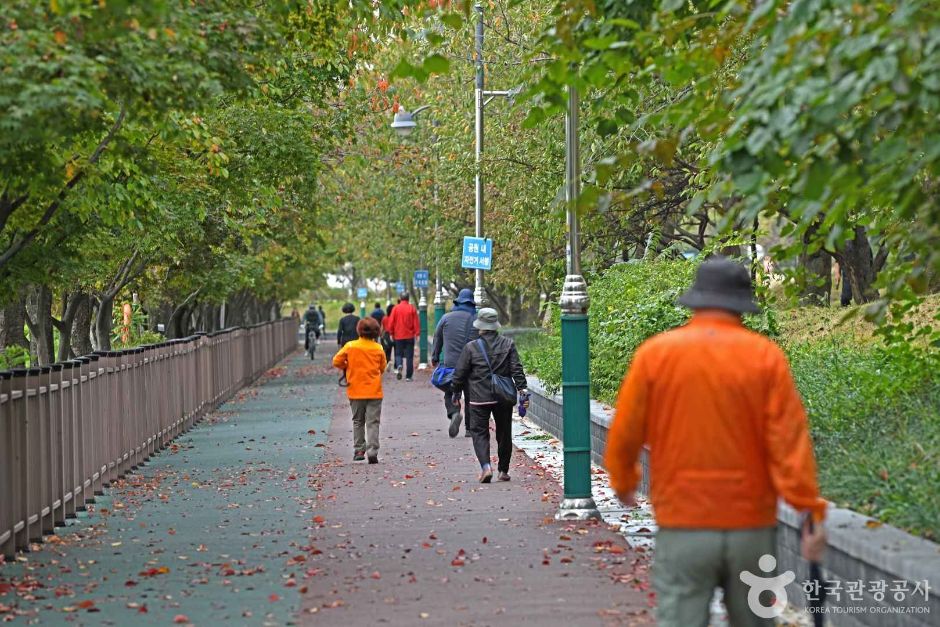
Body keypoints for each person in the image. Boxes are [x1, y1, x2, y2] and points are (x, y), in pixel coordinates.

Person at [604, 256, 828, 627]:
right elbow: (789, 442)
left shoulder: (656, 355)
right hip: (750, 525)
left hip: (683, 522)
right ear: (742, 304)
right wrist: (808, 508)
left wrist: (624, 483)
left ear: (696, 300)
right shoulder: (764, 357)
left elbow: (626, 431)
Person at [450, 308, 528, 483]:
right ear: (495, 325)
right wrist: (522, 390)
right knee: (504, 432)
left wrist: (456, 392)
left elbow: (460, 373)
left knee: (479, 432)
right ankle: (503, 470)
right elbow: (517, 369)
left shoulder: (471, 347)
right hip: (503, 397)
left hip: (479, 397)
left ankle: (486, 466)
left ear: (480, 327)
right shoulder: (508, 344)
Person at [332, 317, 387, 463]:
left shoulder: (350, 346)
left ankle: (359, 450)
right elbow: (382, 367)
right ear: (377, 332)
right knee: (373, 422)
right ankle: (373, 450)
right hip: (374, 391)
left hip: (355, 390)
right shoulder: (378, 348)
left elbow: (336, 361)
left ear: (359, 330)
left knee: (358, 421)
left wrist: (348, 366)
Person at [430, 288, 478, 437]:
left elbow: (437, 338)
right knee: (471, 396)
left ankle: (454, 412)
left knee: (450, 391)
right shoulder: (476, 320)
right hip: (471, 365)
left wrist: (435, 356)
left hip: (450, 365)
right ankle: (469, 429)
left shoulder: (446, 318)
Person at [385, 293, 420, 381]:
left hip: (398, 336)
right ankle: (408, 376)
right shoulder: (412, 308)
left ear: (400, 298)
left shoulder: (395, 308)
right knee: (409, 356)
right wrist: (417, 334)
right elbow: (416, 322)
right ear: (408, 299)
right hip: (409, 336)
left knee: (398, 353)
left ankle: (399, 364)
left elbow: (391, 322)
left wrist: (391, 333)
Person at [381, 303, 395, 370]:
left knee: (387, 350)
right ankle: (396, 365)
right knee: (396, 350)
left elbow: (382, 328)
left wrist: (381, 335)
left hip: (386, 335)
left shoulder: (384, 318)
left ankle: (388, 361)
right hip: (394, 335)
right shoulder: (395, 318)